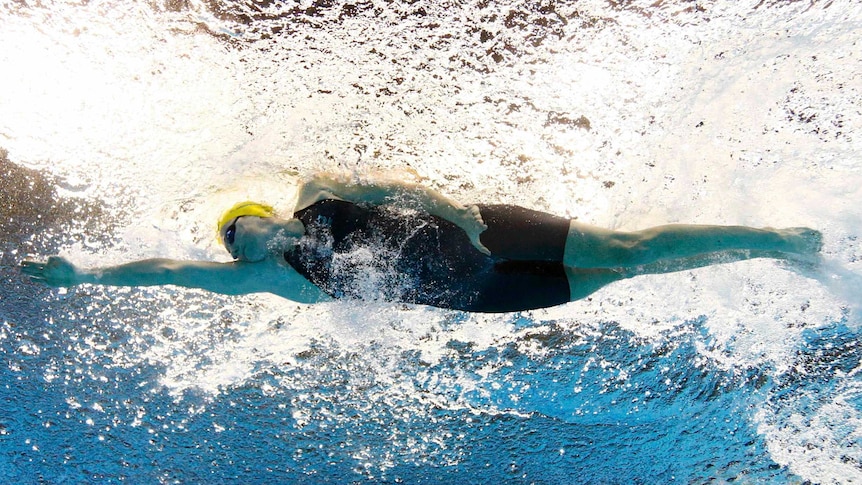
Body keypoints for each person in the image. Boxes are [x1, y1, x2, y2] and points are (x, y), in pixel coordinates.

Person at [21, 172, 822, 313]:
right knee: (630, 276)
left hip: (481, 229)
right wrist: (85, 274)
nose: (235, 252)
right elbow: (170, 274)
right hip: (478, 296)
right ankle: (763, 250)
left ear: (255, 213)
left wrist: (461, 216)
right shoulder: (282, 279)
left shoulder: (315, 193)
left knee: (633, 245)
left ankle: (782, 238)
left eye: (235, 232)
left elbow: (398, 183)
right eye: (230, 251)